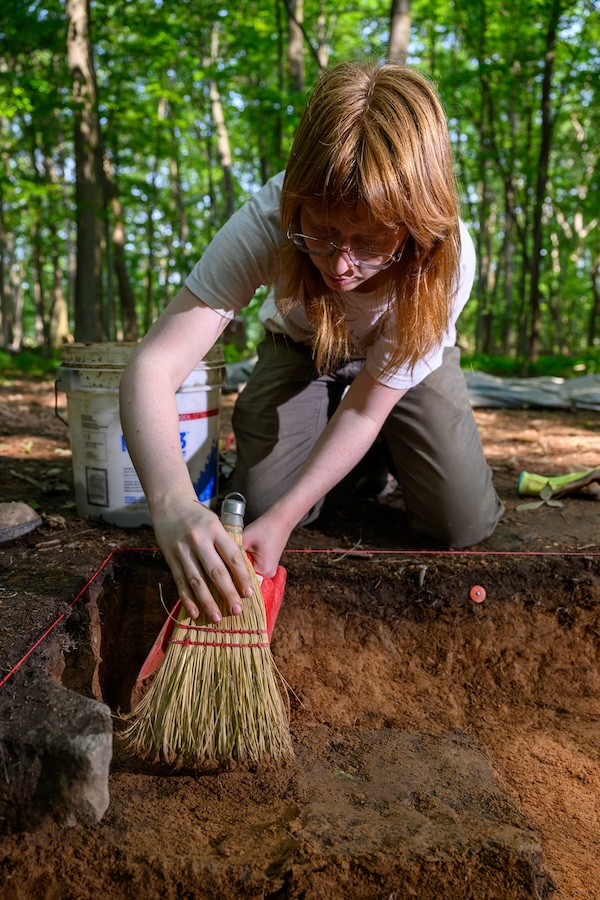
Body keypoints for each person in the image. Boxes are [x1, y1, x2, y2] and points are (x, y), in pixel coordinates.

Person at [119, 60, 504, 625]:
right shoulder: (267, 219)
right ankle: (337, 464)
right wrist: (174, 504)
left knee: (460, 522)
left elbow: (369, 407)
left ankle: (375, 461)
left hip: (396, 371)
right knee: (265, 506)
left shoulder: (447, 259)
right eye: (320, 234)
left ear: (416, 226)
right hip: (301, 350)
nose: (341, 266)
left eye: (369, 242)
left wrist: (288, 514)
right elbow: (152, 366)